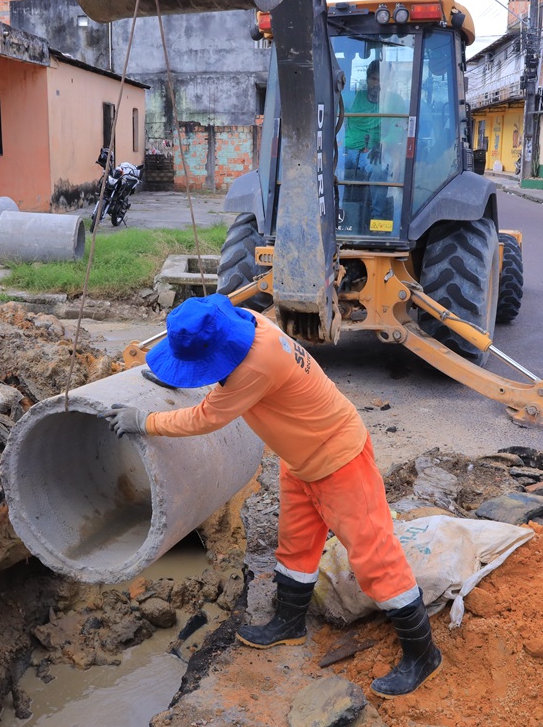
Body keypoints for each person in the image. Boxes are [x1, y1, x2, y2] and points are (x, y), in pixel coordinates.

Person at [99, 294, 441, 697]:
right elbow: (220, 365)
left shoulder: (257, 365)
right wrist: (181, 371)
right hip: (300, 459)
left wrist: (145, 419)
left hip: (339, 459)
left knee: (373, 554)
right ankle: (289, 624)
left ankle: (423, 654)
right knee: (296, 545)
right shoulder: (248, 325)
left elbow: (207, 416)